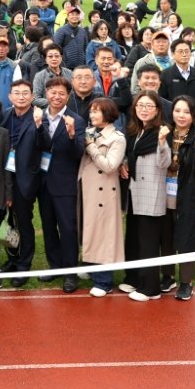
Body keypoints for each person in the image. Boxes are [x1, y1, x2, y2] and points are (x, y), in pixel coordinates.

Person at [37, 77, 86, 292]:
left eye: (61, 94)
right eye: (52, 92)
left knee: (67, 228)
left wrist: (73, 134)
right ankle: (54, 266)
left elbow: (79, 154)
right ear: (46, 93)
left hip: (65, 183)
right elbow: (36, 146)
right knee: (48, 227)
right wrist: (39, 127)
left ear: (68, 96)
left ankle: (70, 272)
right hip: (43, 182)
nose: (56, 97)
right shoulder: (39, 117)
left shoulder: (76, 120)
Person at [121, 92, 171, 302]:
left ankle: (151, 288)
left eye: (148, 106)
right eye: (140, 105)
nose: (143, 109)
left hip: (151, 194)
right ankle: (134, 277)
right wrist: (124, 163)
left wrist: (161, 142)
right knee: (134, 238)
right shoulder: (135, 131)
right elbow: (130, 155)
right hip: (134, 192)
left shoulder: (161, 132)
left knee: (148, 241)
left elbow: (165, 162)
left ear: (157, 109)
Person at [79, 97, 125, 297]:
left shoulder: (117, 138)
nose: (92, 115)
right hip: (86, 187)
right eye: (91, 111)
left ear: (107, 113)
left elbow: (109, 166)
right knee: (90, 229)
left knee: (104, 234)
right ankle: (90, 265)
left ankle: (104, 280)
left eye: (96, 111)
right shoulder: (89, 132)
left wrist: (91, 146)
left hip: (104, 191)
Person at [165, 97, 195, 300]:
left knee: (187, 238)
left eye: (186, 112)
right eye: (177, 111)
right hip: (163, 193)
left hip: (188, 194)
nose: (181, 116)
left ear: (193, 116)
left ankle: (186, 281)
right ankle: (167, 276)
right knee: (164, 236)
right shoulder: (163, 134)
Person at [3, 79, 46, 287]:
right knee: (6, 222)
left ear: (32, 96)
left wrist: (39, 126)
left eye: (25, 93)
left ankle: (24, 264)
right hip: (5, 176)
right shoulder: (5, 115)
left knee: (24, 223)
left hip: (27, 178)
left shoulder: (38, 117)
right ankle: (12, 257)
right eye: (16, 93)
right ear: (10, 97)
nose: (21, 96)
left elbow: (45, 144)